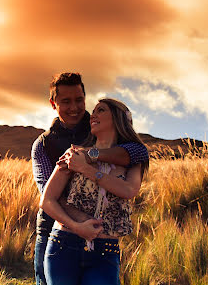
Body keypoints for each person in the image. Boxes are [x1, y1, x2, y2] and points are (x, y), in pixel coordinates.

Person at [31, 73, 148, 285]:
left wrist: (90, 158)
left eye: (79, 100)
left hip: (102, 245)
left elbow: (138, 154)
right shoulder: (43, 145)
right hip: (55, 231)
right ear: (53, 103)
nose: (75, 107)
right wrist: (80, 225)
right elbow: (49, 196)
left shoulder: (94, 127)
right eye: (66, 102)